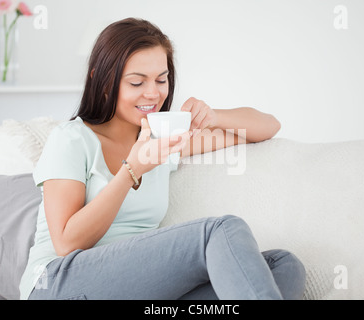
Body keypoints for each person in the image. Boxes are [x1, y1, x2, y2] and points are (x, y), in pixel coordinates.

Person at [19, 17, 306, 300]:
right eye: (136, 82)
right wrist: (130, 171)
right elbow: (67, 242)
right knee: (222, 230)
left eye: (161, 79)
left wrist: (216, 116)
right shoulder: (71, 139)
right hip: (58, 284)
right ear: (102, 80)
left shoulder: (163, 141)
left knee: (283, 266)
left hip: (134, 289)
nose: (153, 93)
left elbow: (267, 127)